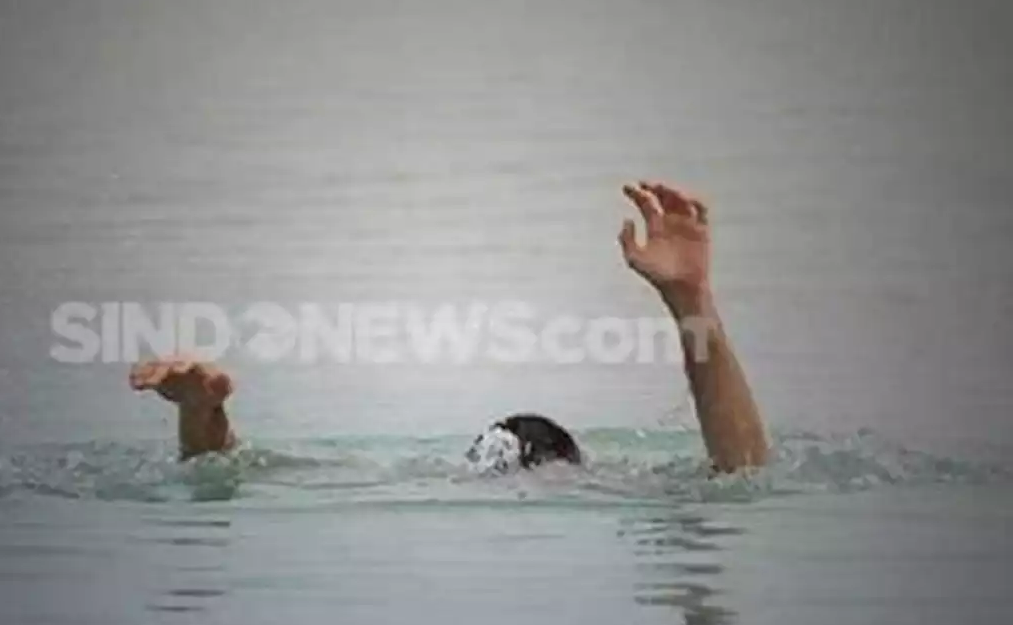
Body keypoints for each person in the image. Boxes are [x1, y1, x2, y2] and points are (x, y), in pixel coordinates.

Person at [129, 182, 769, 473]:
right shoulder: (619, 488)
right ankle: (202, 420)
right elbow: (743, 471)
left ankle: (201, 419)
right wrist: (693, 302)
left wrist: (690, 295)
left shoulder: (405, 473)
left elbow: (256, 473)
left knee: (240, 470)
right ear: (572, 467)